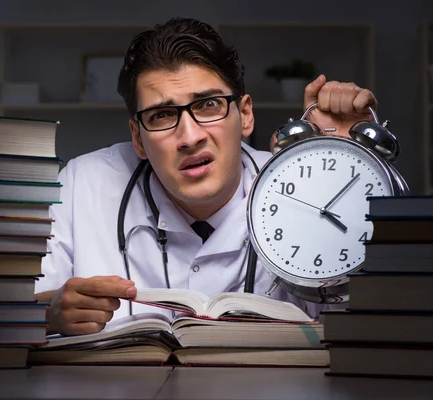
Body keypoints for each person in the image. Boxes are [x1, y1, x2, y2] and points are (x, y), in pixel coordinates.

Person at [33, 17, 378, 336]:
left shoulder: (299, 186)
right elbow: (2, 313)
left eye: (208, 105)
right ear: (138, 138)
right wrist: (49, 313)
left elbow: (367, 323)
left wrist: (340, 175)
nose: (190, 137)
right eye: (162, 115)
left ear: (244, 116)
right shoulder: (82, 184)